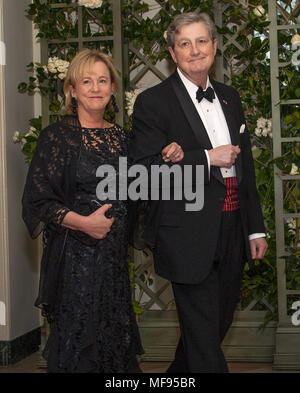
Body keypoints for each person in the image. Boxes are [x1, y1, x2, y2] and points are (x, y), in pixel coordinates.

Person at [130, 12, 268, 373]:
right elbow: (144, 173)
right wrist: (206, 158)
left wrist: (255, 228)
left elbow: (246, 167)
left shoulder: (229, 97)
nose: (195, 50)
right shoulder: (152, 103)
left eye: (201, 41)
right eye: (185, 44)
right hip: (185, 235)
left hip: (233, 229)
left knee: (211, 327)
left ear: (214, 47)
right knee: (205, 339)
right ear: (172, 53)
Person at [22, 48, 143, 373]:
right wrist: (84, 224)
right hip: (75, 263)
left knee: (113, 345)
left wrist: (171, 154)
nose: (95, 87)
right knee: (79, 349)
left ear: (113, 88)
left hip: (114, 265)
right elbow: (38, 200)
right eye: (86, 81)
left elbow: (140, 187)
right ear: (72, 90)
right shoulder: (57, 138)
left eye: (102, 80)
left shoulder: (121, 138)